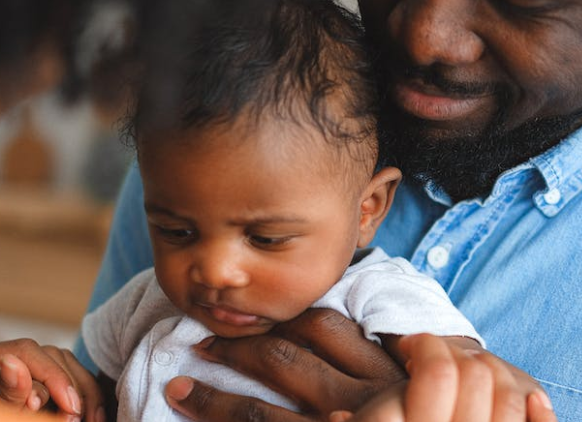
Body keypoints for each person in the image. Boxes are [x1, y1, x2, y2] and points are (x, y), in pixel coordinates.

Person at [0, 0, 569, 421]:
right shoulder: (168, 239)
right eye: (175, 230)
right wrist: (44, 385)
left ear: (368, 207)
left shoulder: (376, 291)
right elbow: (87, 395)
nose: (215, 270)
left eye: (268, 238)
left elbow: (456, 363)